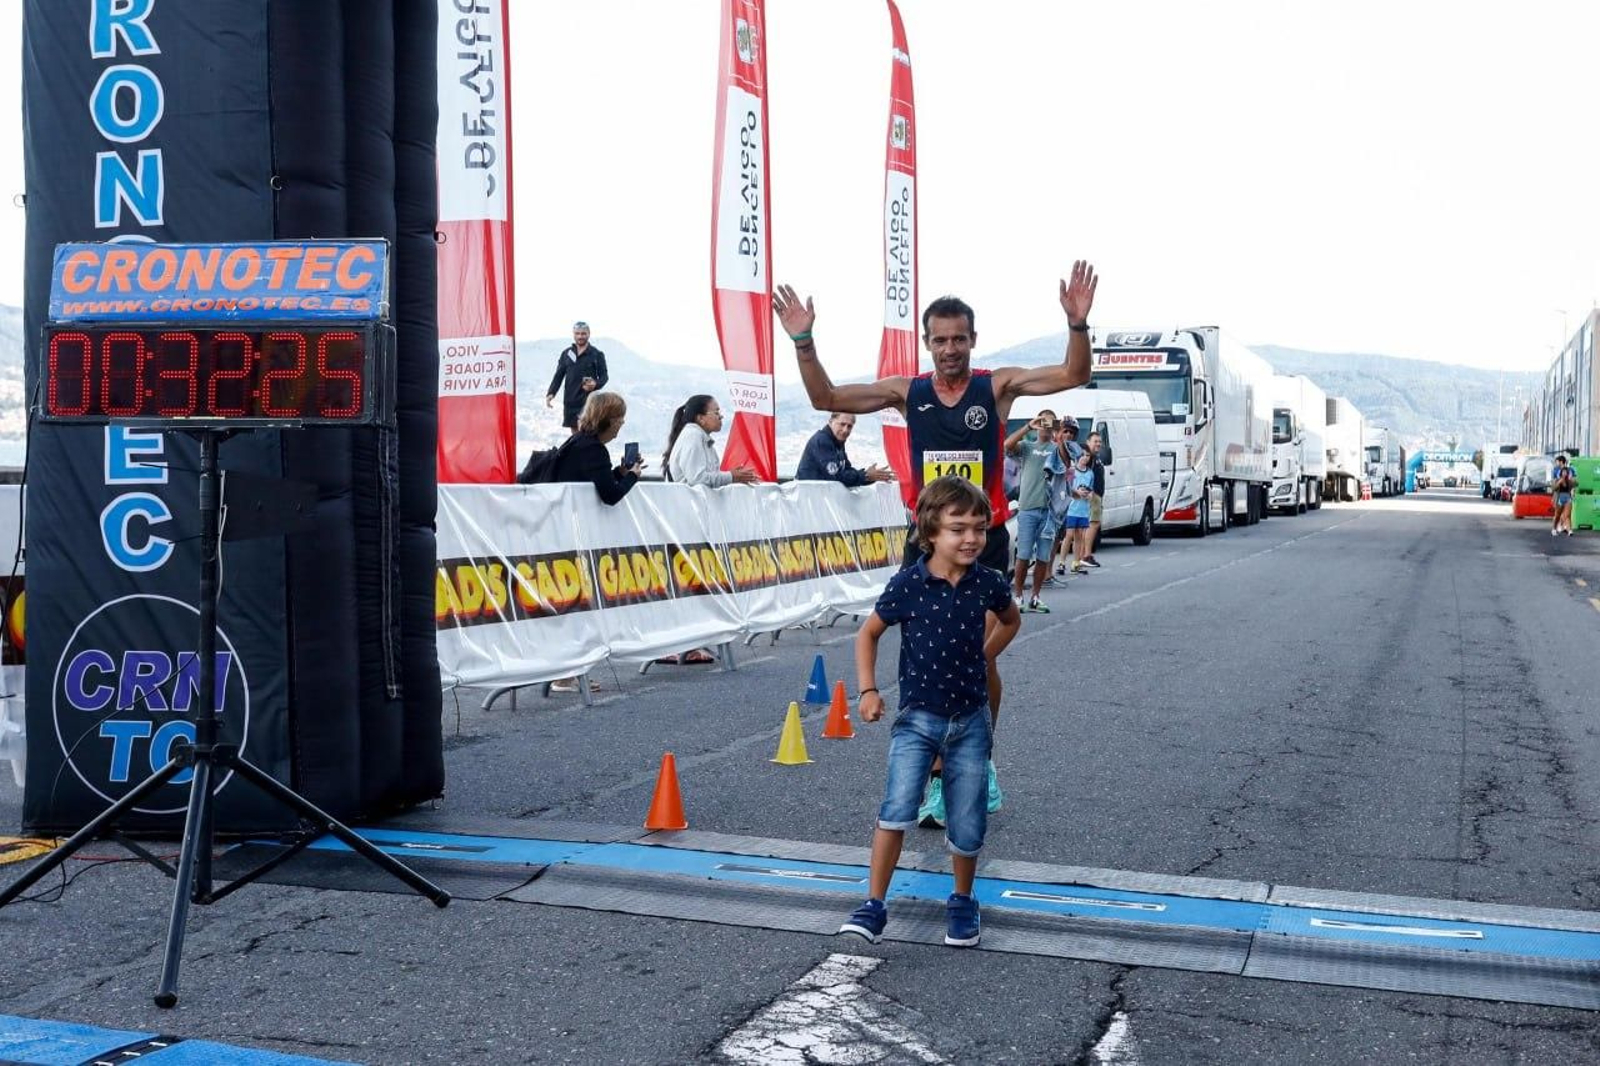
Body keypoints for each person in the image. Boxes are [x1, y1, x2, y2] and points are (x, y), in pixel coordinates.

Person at [774, 261, 1099, 821]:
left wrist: (1077, 325)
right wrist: (803, 341)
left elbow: (1072, 375)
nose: (950, 349)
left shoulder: (995, 387)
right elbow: (825, 396)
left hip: (985, 539)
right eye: (940, 340)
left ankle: (978, 757)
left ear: (973, 341)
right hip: (926, 546)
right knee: (921, 655)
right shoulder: (909, 392)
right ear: (926, 343)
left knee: (978, 657)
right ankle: (931, 774)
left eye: (959, 339)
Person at [837, 476, 1021, 949]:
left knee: (967, 818)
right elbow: (868, 633)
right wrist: (869, 690)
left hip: (970, 721)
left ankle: (962, 900)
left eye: (979, 528)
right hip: (917, 719)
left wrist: (985, 655)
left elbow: (1011, 619)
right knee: (896, 809)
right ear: (929, 533)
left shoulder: (989, 583)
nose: (971, 539)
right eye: (958, 528)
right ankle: (874, 904)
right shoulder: (908, 585)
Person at [548, 392, 641, 693]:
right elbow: (610, 495)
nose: (621, 427)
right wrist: (633, 477)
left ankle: (567, 672)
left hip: (559, 530)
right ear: (609, 420)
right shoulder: (594, 449)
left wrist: (621, 473)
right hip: (568, 537)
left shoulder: (579, 443)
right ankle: (565, 673)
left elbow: (597, 481)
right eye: (620, 420)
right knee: (573, 604)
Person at [1004, 412, 1066, 612]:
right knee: (1023, 555)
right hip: (1028, 508)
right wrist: (1028, 427)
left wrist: (1059, 434)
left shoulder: (1056, 449)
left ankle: (1036, 597)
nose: (1045, 426)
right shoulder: (1028, 447)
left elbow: (1067, 462)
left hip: (1049, 512)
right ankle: (1019, 596)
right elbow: (1007, 445)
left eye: (1049, 421)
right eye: (1042, 421)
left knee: (1043, 557)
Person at [665, 394, 759, 486]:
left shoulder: (701, 439)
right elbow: (697, 479)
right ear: (700, 418)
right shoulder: (693, 435)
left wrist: (733, 476)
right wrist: (731, 477)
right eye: (716, 413)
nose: (721, 416)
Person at [796, 413, 895, 486]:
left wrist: (875, 476)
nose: (845, 430)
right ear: (831, 422)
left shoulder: (837, 441)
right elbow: (837, 477)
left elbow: (847, 470)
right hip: (808, 500)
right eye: (842, 424)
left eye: (849, 426)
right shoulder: (822, 441)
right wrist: (866, 475)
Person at [546, 321, 609, 432]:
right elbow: (558, 375)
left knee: (588, 433)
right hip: (571, 401)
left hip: (589, 402)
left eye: (583, 334)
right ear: (574, 334)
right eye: (578, 333)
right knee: (575, 436)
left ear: (589, 334)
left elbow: (604, 377)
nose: (580, 336)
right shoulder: (566, 354)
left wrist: (595, 384)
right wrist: (551, 393)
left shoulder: (596, 354)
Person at [1062, 448, 1095, 570]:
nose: (1085, 458)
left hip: (1083, 509)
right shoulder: (1071, 471)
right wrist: (1076, 492)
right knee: (1068, 535)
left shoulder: (1090, 473)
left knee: (1079, 536)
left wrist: (1089, 495)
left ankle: (1076, 562)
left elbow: (1091, 489)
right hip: (1071, 508)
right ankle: (1061, 562)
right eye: (1082, 455)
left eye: (1087, 455)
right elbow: (1066, 488)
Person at [1080, 430, 1107, 569]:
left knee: (1092, 524)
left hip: (1097, 495)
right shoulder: (1088, 456)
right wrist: (1088, 492)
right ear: (1088, 442)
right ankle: (1086, 555)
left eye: (1099, 442)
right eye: (1095, 441)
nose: (1098, 444)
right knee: (1093, 524)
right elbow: (1081, 473)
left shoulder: (1096, 457)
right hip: (1092, 495)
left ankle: (1085, 555)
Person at [1552, 453, 1576, 536]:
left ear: (1561, 462)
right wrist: (1558, 482)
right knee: (1558, 515)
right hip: (1559, 496)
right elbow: (1554, 486)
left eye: (1557, 462)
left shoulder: (1571, 470)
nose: (1557, 464)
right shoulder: (1556, 470)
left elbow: (1575, 483)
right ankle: (1556, 527)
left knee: (1567, 514)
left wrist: (1573, 490)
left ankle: (1568, 530)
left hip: (1568, 497)